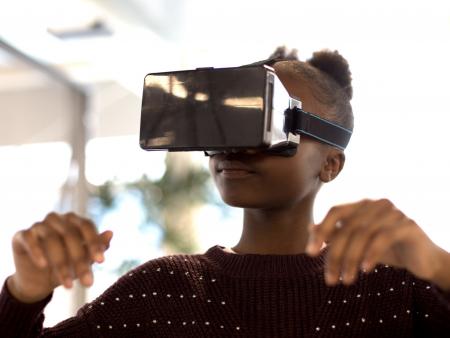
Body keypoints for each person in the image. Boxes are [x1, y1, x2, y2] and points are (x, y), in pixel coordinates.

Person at [1, 47, 449, 337]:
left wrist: (440, 267)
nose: (235, 145)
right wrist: (24, 294)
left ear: (330, 163)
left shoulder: (390, 293)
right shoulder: (162, 291)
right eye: (228, 119)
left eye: (265, 120)